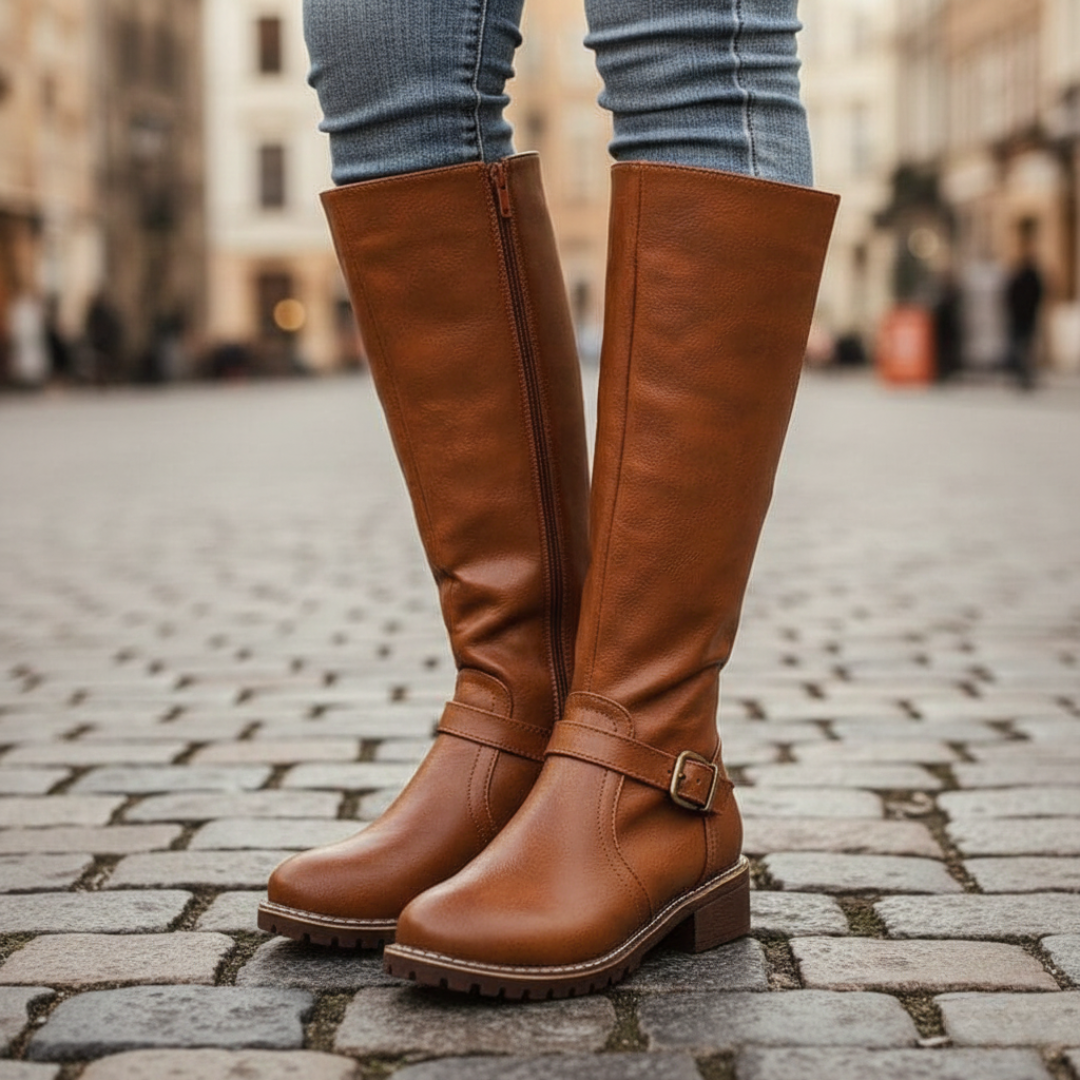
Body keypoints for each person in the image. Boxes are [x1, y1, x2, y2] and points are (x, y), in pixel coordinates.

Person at [260, 0, 838, 998]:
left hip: (653, 768)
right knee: (383, 75)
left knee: (683, 48)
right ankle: (517, 720)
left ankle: (649, 762)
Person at [1004, 220, 1044, 391]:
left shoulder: (1020, 277)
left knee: (1021, 346)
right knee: (1025, 346)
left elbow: (1010, 294)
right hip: (1027, 316)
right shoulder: (1030, 277)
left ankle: (1022, 374)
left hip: (1021, 316)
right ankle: (1024, 375)